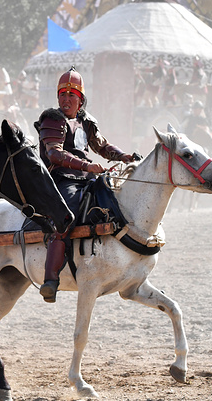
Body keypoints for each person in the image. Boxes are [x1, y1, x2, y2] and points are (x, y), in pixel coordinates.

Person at [34, 66, 138, 303]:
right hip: (61, 178)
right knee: (64, 217)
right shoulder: (52, 119)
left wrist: (123, 156)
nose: (66, 99)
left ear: (80, 100)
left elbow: (102, 146)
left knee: (115, 201)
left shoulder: (86, 121)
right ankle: (50, 280)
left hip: (86, 177)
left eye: (72, 95)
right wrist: (87, 166)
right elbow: (54, 155)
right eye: (62, 94)